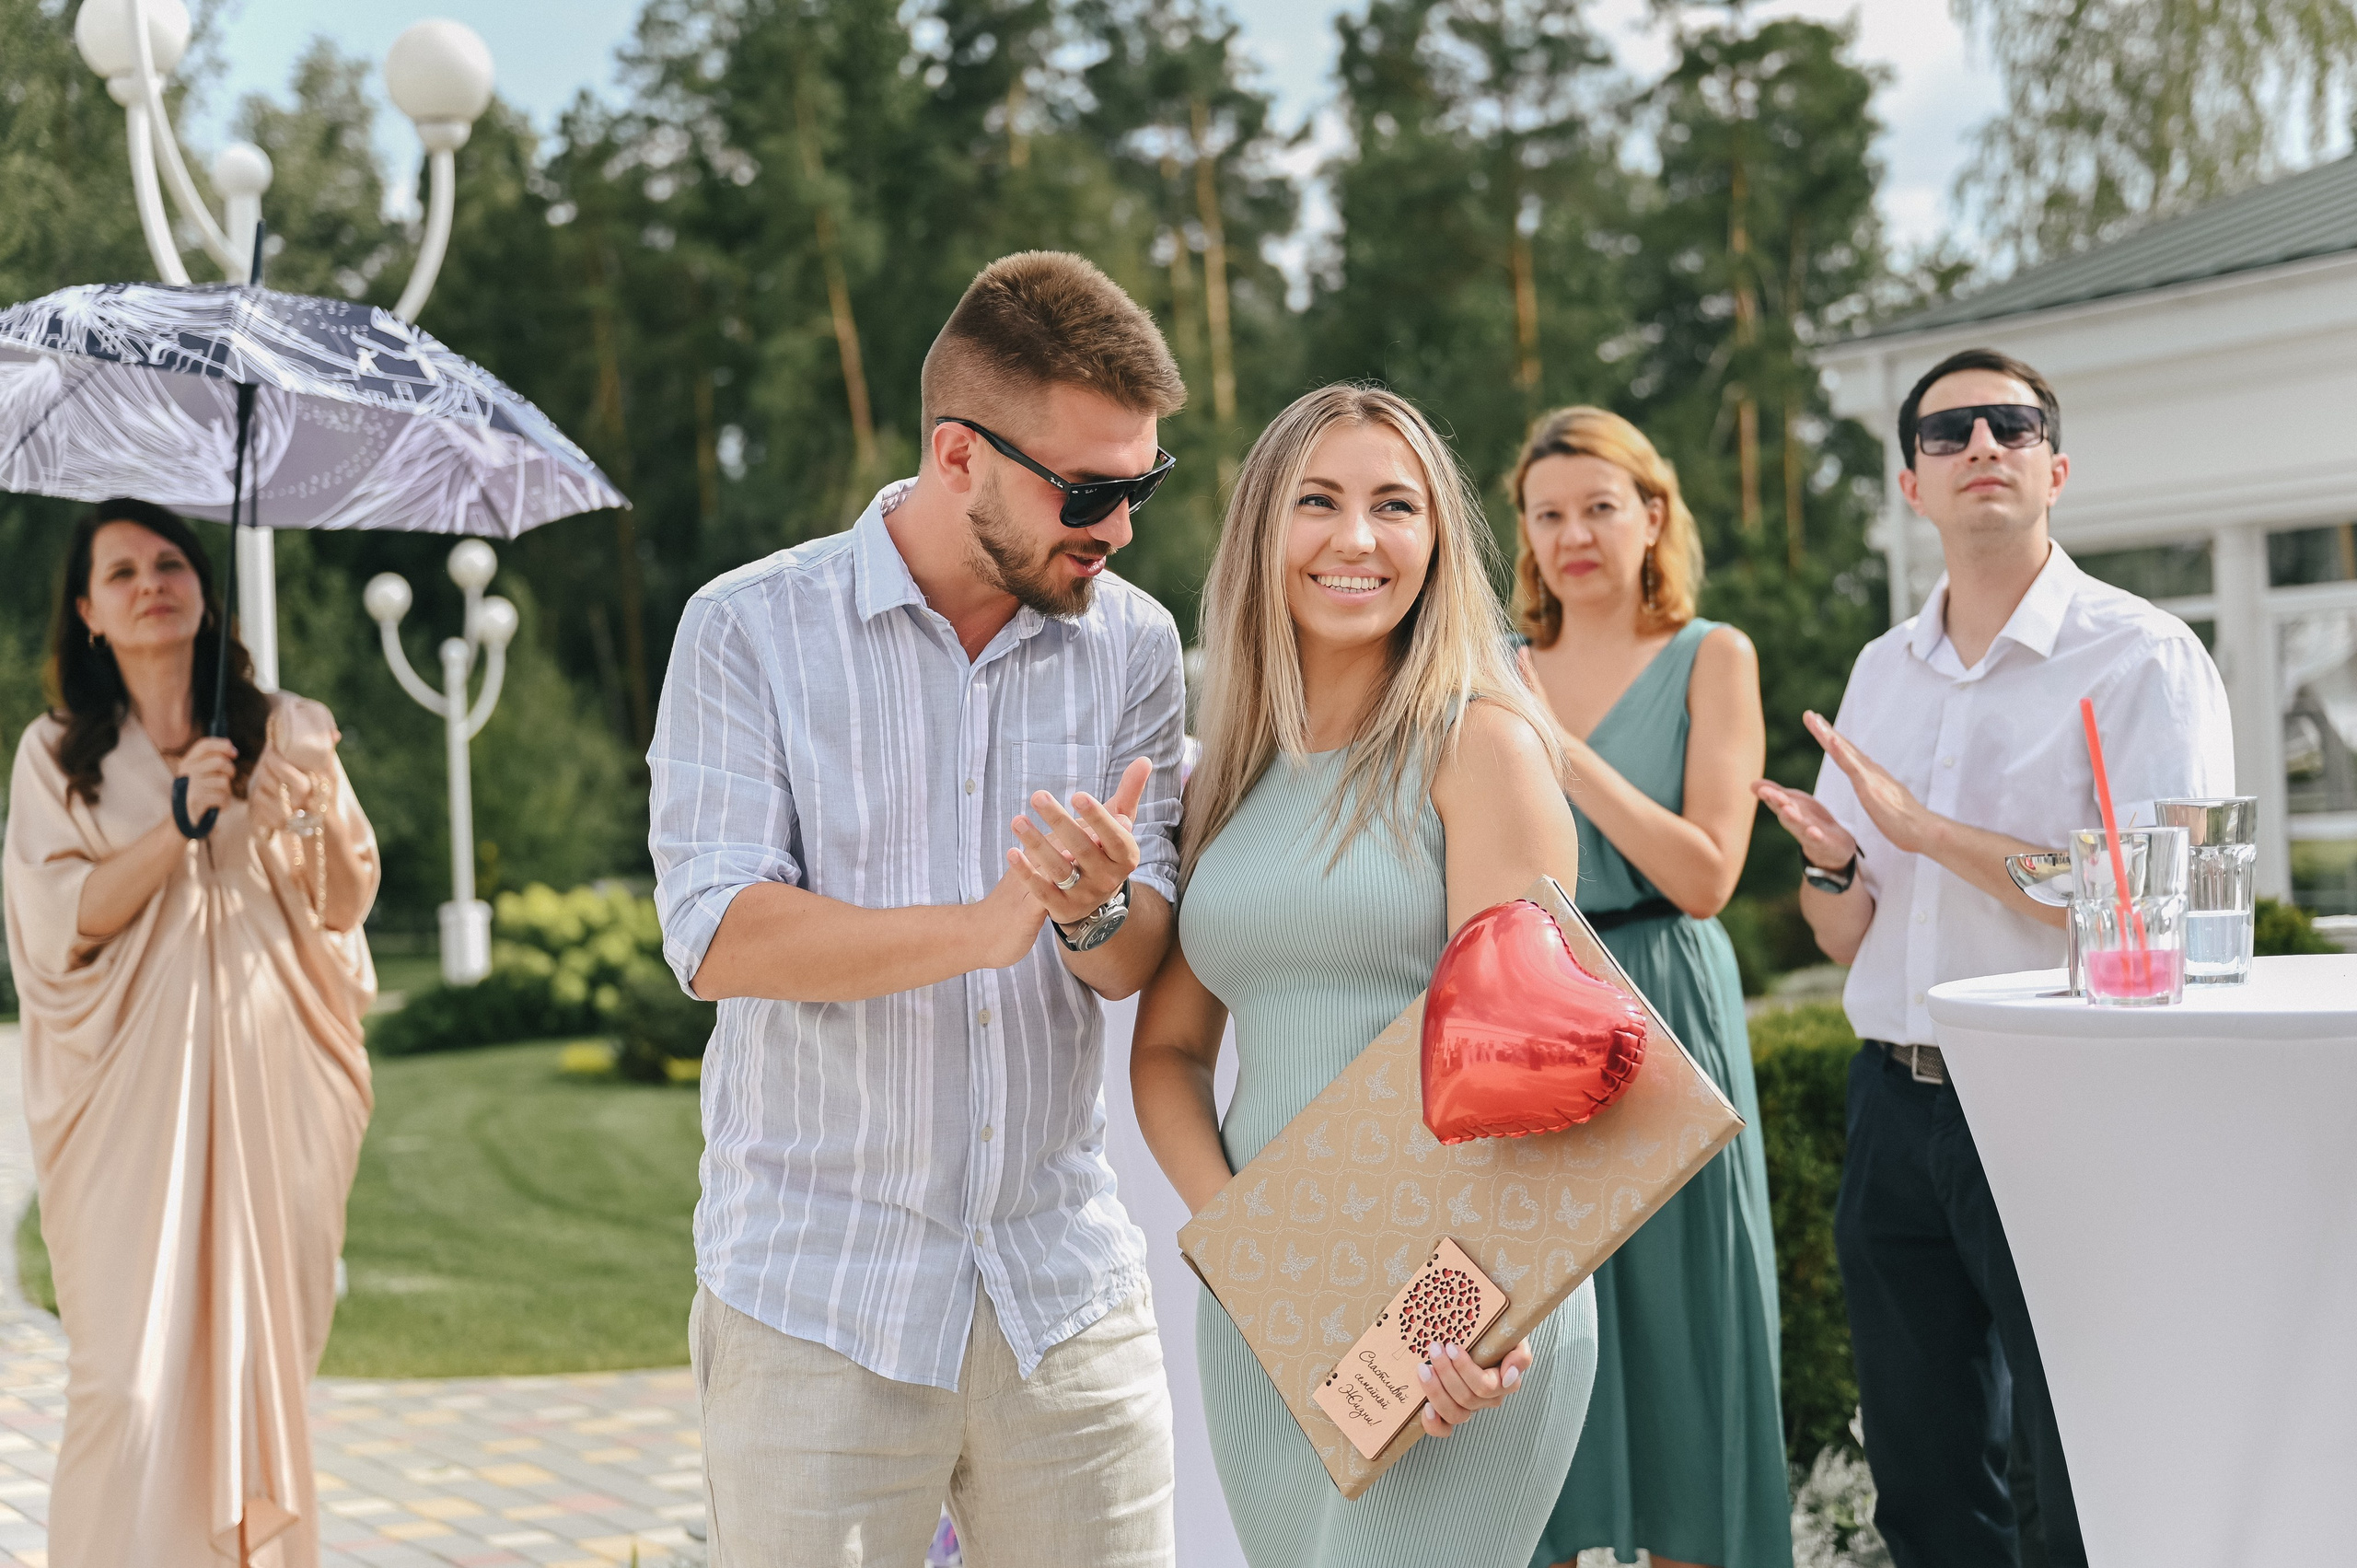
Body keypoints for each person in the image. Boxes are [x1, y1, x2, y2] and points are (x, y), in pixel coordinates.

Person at [647, 250, 1190, 1568]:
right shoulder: (746, 628)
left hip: (1065, 1294)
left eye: (1143, 486)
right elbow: (716, 935)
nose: (1118, 526)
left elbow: (1133, 962)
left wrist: (1092, 906)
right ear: (958, 455)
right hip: (815, 1298)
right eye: (1091, 488)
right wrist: (987, 920)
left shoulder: (1135, 643)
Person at [1752, 348, 2235, 1568]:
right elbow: (1846, 930)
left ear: (2054, 468)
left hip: (2059, 1096)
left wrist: (1921, 832)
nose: (1980, 444)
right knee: (1925, 1479)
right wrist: (1831, 865)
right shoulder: (1880, 670)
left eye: (2009, 425)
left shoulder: (2143, 659)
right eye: (1947, 430)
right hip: (1892, 1101)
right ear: (1910, 485)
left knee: (2079, 1473)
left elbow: (2150, 911)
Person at [1130, 383, 1599, 1567]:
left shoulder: (1478, 745)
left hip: (1450, 1311)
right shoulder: (1228, 777)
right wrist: (1252, 1254)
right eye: (1318, 501)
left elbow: (1538, 1095)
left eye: (1396, 504)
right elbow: (1169, 1051)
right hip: (1263, 1307)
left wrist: (1453, 1324)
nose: (1357, 537)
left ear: (1437, 540)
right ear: (1259, 536)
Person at [4, 500, 379, 1568]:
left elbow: (347, 900)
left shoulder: (286, 726)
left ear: (205, 591)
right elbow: (59, 918)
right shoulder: (57, 757)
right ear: (87, 612)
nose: (149, 583)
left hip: (281, 1088)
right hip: (124, 1103)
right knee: (124, 1383)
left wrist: (297, 805)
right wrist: (176, 822)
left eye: (169, 562)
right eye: (120, 572)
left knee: (265, 1370)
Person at [1506, 409, 1791, 1568]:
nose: (1575, 534)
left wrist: (1562, 750)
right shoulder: (1496, 667)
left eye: (1599, 506)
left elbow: (1708, 871)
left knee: (1686, 1334)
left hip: (1665, 992)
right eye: (1549, 514)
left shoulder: (1710, 655)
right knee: (1538, 1327)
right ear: (1524, 534)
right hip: (1529, 1001)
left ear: (1652, 514)